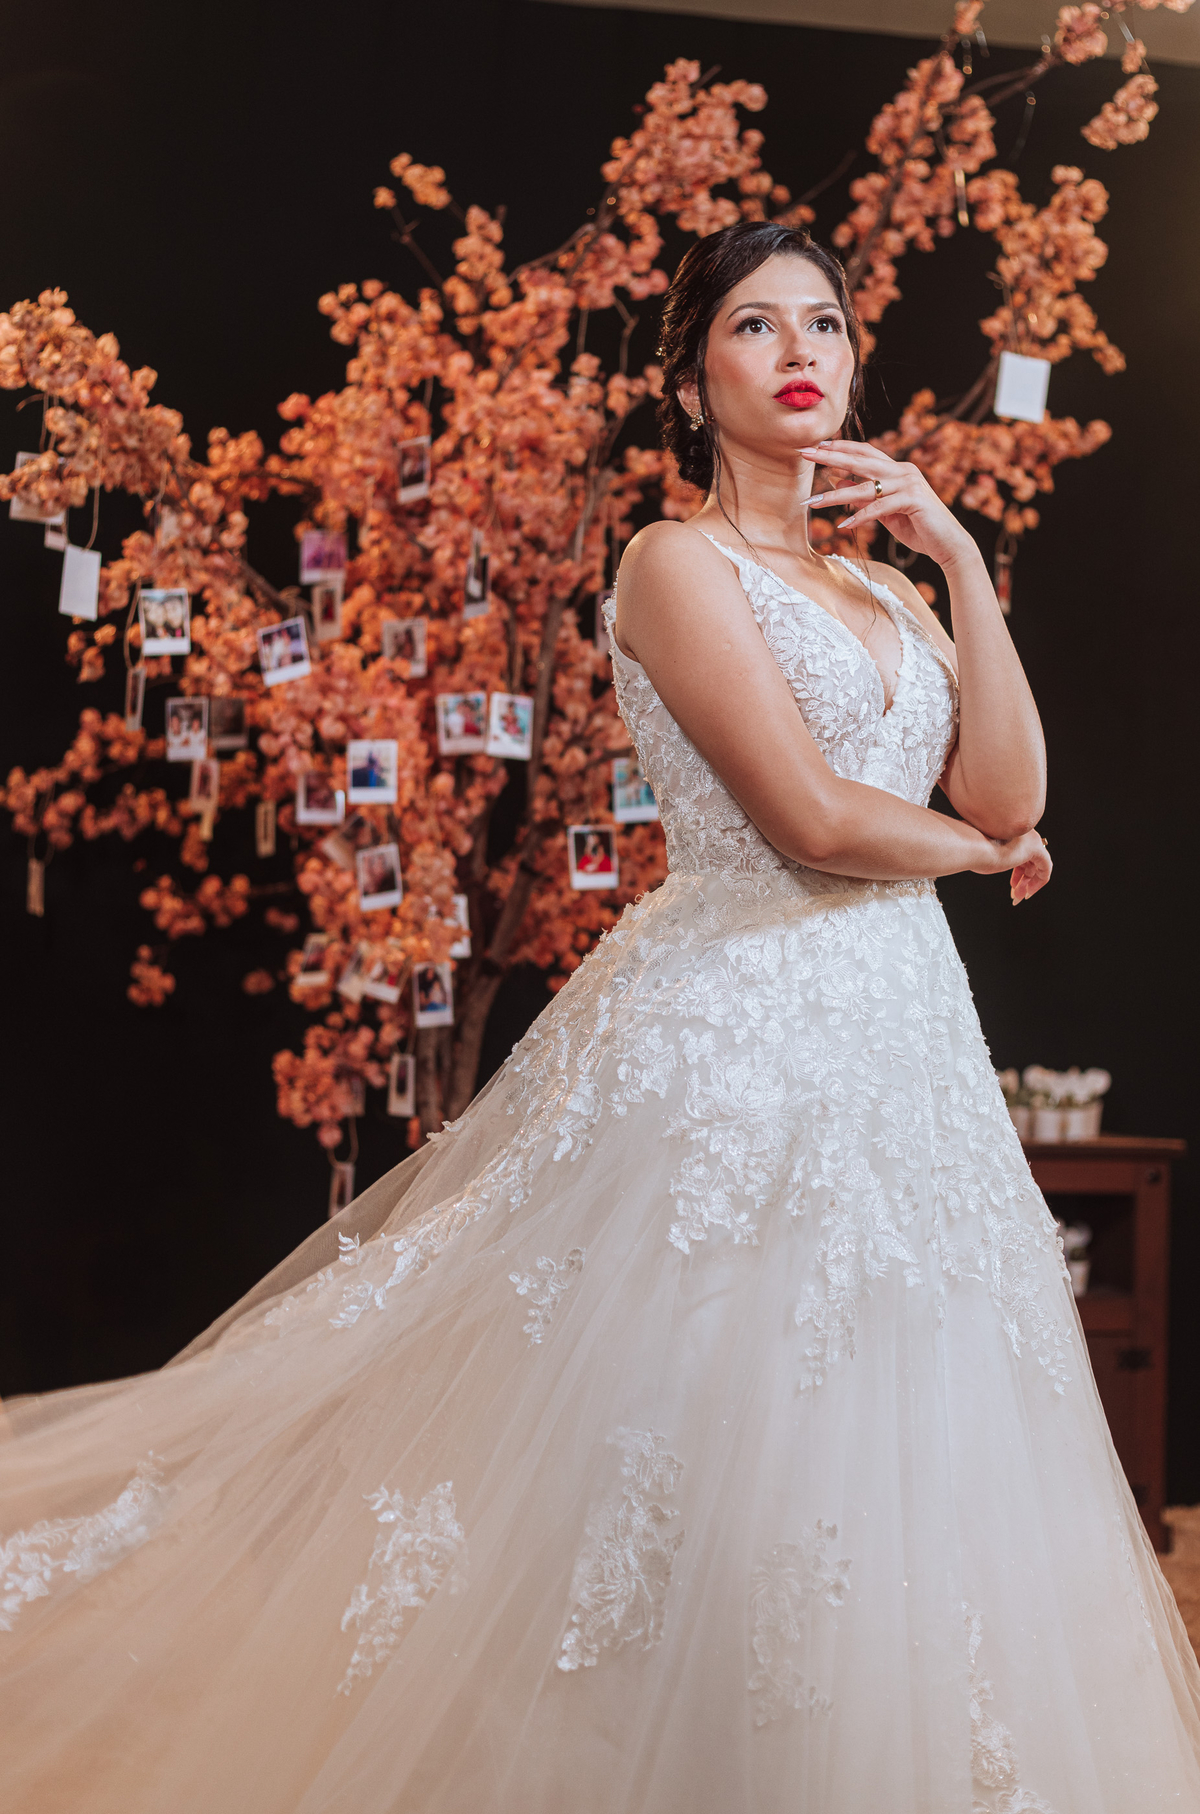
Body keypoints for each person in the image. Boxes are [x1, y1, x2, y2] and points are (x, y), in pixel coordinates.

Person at [2, 221, 1198, 1814]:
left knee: (902, 1439)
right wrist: (983, 856)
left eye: (826, 324)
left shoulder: (897, 591)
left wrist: (963, 563)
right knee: (709, 1446)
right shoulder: (670, 565)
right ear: (692, 378)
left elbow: (1012, 784)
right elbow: (811, 821)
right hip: (734, 1044)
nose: (800, 351)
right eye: (756, 324)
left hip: (903, 1049)